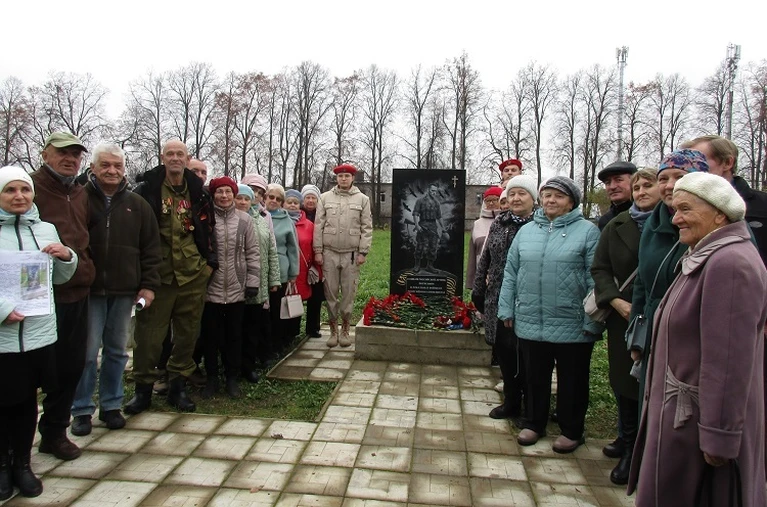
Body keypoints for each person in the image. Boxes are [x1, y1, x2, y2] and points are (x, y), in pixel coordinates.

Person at [628, 172, 766, 506]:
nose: (676, 218)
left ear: (719, 213)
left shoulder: (729, 264)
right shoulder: (705, 254)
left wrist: (720, 436)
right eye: (675, 209)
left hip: (699, 427)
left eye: (686, 209)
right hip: (684, 419)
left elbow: (729, 361)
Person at [498, 176, 601, 453]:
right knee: (534, 377)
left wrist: (592, 321)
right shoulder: (527, 231)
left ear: (571, 202)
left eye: (559, 196)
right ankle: (534, 423)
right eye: (547, 195)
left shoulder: (588, 232)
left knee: (572, 380)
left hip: (572, 322)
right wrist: (506, 308)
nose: (551, 200)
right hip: (531, 318)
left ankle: (571, 430)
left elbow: (595, 279)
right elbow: (511, 272)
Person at [70, 144, 161, 436]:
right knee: (87, 353)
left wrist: (148, 285)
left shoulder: (138, 204)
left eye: (117, 166)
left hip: (124, 291)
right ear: (93, 168)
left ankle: (111, 405)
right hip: (89, 290)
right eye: (105, 165)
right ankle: (82, 409)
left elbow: (151, 248)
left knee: (117, 352)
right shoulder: (79, 199)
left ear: (124, 169)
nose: (112, 171)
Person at [0, 166, 78, 499]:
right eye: (10, 190)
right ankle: (2, 466)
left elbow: (59, 278)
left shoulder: (45, 229)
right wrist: (2, 310)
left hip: (38, 333)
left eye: (24, 190)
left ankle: (23, 464)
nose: (19, 196)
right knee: (4, 401)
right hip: (4, 335)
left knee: (27, 401)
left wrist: (67, 256)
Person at [125, 139, 217, 415]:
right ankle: (143, 390)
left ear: (187, 159)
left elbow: (209, 230)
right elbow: (135, 234)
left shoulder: (199, 193)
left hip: (192, 275)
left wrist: (208, 266)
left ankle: (178, 386)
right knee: (149, 336)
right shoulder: (147, 190)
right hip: (158, 277)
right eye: (170, 154)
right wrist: (140, 276)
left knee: (188, 334)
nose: (175, 158)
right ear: (162, 157)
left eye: (180, 154)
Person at [590, 168, 660, 485]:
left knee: (654, 385)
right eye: (639, 186)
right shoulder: (616, 224)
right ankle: (629, 448)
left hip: (661, 316)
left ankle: (649, 449)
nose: (642, 191)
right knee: (625, 382)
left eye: (648, 185)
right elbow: (600, 268)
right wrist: (616, 301)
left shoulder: (675, 224)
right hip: (623, 317)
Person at [628, 150, 709, 411]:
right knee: (652, 409)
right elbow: (642, 283)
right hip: (654, 335)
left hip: (696, 341)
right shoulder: (654, 224)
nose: (670, 185)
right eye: (663, 178)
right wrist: (636, 336)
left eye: (680, 177)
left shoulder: (717, 224)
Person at [31, 132, 95, 461]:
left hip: (78, 289)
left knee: (71, 367)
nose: (70, 159)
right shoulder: (30, 188)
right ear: (46, 154)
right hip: (41, 294)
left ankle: (55, 433)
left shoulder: (81, 192)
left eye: (76, 154)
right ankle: (15, 445)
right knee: (32, 372)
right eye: (62, 153)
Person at [472, 175, 538, 422]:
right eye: (512, 194)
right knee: (505, 352)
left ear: (533, 198)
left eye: (522, 193)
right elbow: (486, 258)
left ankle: (530, 408)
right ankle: (511, 402)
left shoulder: (540, 225)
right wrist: (478, 289)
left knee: (526, 356)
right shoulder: (499, 223)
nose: (516, 198)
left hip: (527, 300)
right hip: (497, 296)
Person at [201, 177, 260, 399]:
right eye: (219, 192)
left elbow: (252, 252)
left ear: (234, 194)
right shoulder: (206, 218)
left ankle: (231, 378)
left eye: (228, 192)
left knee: (234, 336)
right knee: (210, 336)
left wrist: (252, 281)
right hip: (211, 288)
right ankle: (212, 378)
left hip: (237, 286)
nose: (224, 196)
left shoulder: (245, 220)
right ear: (213, 194)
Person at [313, 164, 373, 347]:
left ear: (353, 178)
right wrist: (318, 251)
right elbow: (318, 225)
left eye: (347, 176)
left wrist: (363, 251)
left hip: (351, 254)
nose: (344, 179)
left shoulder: (362, 199)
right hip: (329, 252)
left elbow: (367, 227)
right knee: (330, 292)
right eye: (340, 176)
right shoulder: (325, 198)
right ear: (336, 178)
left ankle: (345, 328)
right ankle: (333, 329)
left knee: (348, 293)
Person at [235, 184, 280, 378]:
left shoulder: (261, 220)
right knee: (235, 328)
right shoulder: (227, 220)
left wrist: (274, 279)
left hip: (258, 282)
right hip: (233, 284)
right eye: (239, 198)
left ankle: (248, 366)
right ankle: (233, 368)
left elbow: (271, 250)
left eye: (247, 198)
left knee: (253, 327)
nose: (243, 201)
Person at [265, 184, 299, 354]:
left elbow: (293, 248)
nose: (274, 201)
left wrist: (293, 272)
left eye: (278, 199)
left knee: (277, 309)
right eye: (271, 197)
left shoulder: (287, 220)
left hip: (281, 270)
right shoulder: (257, 216)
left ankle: (276, 344)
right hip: (259, 269)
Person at [284, 189, 321, 340]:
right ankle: (284, 335)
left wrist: (317, 268)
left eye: (295, 202)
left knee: (297, 299)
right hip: (283, 269)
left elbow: (315, 247)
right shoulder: (276, 221)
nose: (292, 205)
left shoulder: (309, 225)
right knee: (283, 300)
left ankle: (295, 333)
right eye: (289, 202)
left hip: (303, 268)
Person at [466, 186, 502, 291]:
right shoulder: (477, 224)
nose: (491, 203)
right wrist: (471, 281)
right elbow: (472, 254)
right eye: (487, 200)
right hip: (481, 274)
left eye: (495, 200)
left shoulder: (506, 221)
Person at [301, 184, 324, 337]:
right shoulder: (297, 214)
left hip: (318, 259)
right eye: (307, 197)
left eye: (313, 198)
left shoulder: (322, 215)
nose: (310, 200)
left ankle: (313, 327)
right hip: (302, 259)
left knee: (316, 295)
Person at [412, 183, 444, 273]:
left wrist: (443, 228)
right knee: (420, 246)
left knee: (433, 246)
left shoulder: (436, 203)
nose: (434, 193)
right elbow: (415, 214)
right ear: (428, 190)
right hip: (423, 224)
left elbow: (439, 217)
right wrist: (417, 225)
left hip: (433, 226)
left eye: (435, 191)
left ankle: (430, 266)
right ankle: (417, 265)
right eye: (432, 191)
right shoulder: (420, 201)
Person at [597, 161, 637, 230]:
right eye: (608, 183)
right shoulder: (605, 222)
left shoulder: (646, 214)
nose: (612, 187)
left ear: (633, 182)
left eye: (618, 180)